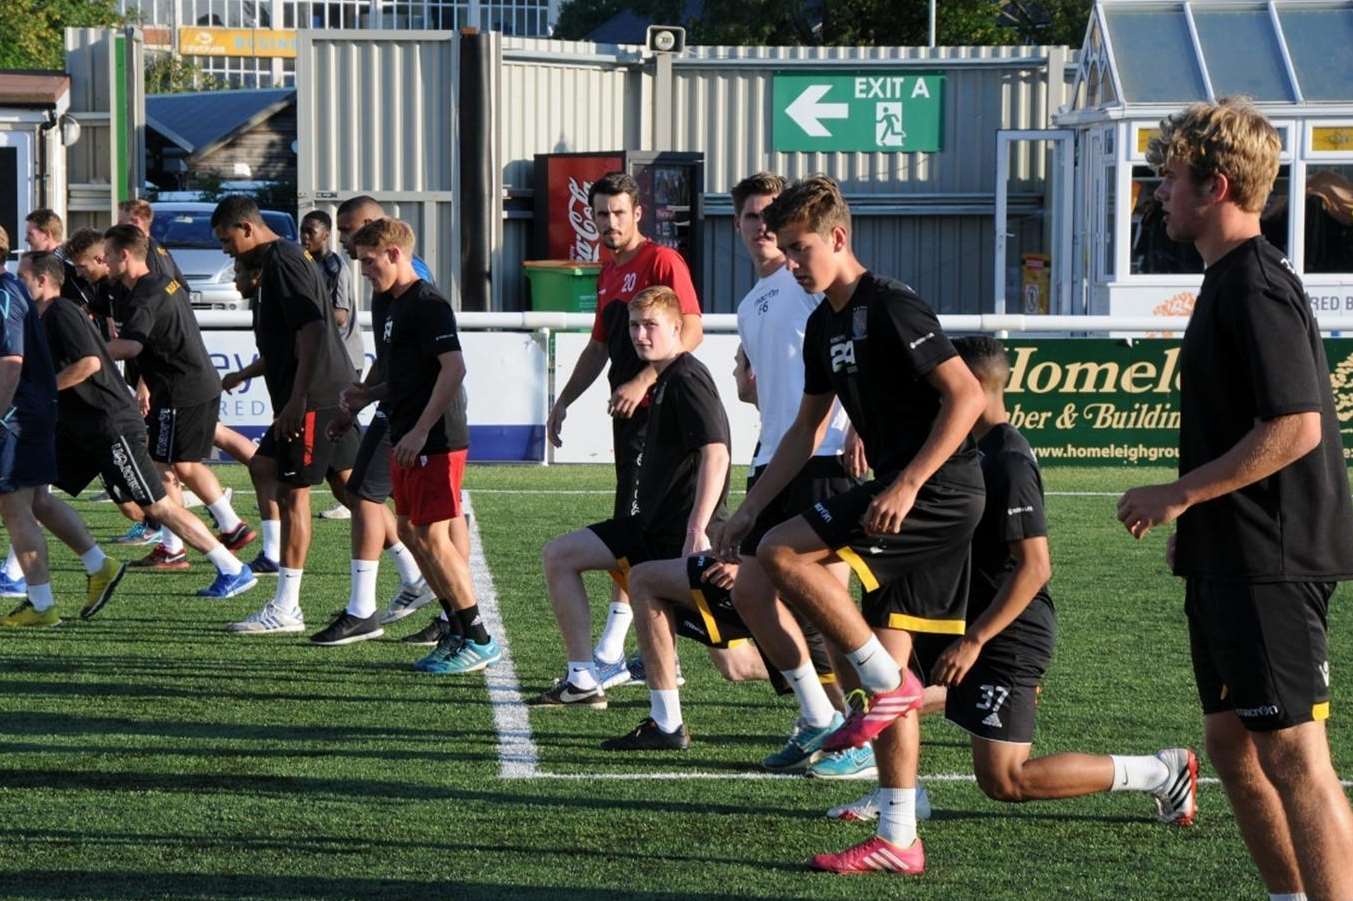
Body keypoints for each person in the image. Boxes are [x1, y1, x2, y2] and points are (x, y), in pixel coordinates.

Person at [715, 175, 986, 875]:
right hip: (899, 491)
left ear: (839, 238)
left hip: (941, 492)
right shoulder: (824, 323)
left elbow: (964, 396)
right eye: (783, 247)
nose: (793, 261)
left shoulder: (890, 304)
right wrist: (744, 508)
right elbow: (804, 430)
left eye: (802, 247)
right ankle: (898, 836)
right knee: (785, 559)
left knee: (782, 553)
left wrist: (908, 480)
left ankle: (878, 682)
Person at [1117, 98, 1353, 901]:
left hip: (1271, 557)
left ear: (1214, 186)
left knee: (1293, 758)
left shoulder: (1254, 285)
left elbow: (1295, 428)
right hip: (1233, 549)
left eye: (1168, 179)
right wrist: (1201, 519)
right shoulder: (1230, 279)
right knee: (1231, 746)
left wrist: (1179, 495)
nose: (1158, 194)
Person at [830, 336, 1198, 827]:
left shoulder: (1007, 459)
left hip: (1008, 630)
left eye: (945, 384)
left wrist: (977, 641)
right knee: (887, 680)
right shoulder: (968, 450)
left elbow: (1035, 567)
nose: (938, 394)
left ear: (976, 386)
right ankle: (901, 795)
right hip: (965, 616)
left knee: (1005, 779)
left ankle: (1158, 772)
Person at [603, 173, 856, 764]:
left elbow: (851, 357)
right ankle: (822, 718)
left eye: (771, 215)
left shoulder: (812, 285)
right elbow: (787, 388)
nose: (761, 226)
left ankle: (855, 730)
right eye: (749, 216)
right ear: (737, 225)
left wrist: (861, 425)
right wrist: (754, 395)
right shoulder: (750, 304)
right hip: (774, 459)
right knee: (754, 594)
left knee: (823, 606)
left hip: (828, 457)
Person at [535, 285, 729, 721]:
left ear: (678, 327)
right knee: (561, 555)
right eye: (635, 326)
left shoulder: (687, 378)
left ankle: (827, 688)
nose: (640, 336)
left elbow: (717, 453)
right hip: (650, 528)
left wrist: (699, 529)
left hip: (684, 536)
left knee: (738, 664)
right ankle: (584, 679)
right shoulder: (660, 378)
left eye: (651, 326)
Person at [19, 251, 256, 602]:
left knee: (156, 506)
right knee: (35, 495)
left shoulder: (61, 312)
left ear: (42, 280)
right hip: (79, 429)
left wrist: (43, 389)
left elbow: (89, 363)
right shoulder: (39, 318)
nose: (15, 283)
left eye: (21, 276)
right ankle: (97, 566)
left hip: (109, 425)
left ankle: (233, 568)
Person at [545, 172, 704, 688]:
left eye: (619, 212)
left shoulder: (662, 261)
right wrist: (563, 401)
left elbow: (693, 328)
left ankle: (616, 653)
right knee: (632, 530)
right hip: (629, 425)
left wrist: (646, 378)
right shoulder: (608, 272)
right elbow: (597, 347)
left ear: (638, 213)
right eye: (601, 214)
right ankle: (642, 655)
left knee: (635, 533)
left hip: (658, 426)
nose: (609, 222)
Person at [337, 218, 499, 670]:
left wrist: (422, 429)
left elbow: (453, 370)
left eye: (369, 261)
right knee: (409, 531)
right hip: (408, 429)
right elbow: (406, 376)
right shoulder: (388, 303)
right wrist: (363, 397)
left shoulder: (428, 303)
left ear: (394, 254)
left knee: (430, 533)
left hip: (437, 436)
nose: (364, 270)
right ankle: (456, 628)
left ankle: (480, 639)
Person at [212, 195, 354, 635]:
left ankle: (287, 607)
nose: (225, 249)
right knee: (284, 470)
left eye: (226, 239)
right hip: (322, 391)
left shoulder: (285, 262)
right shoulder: (279, 261)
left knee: (296, 494)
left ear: (248, 228)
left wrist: (298, 399)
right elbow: (288, 340)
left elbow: (312, 330)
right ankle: (413, 573)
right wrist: (248, 373)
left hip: (312, 396)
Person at [101, 225, 255, 572]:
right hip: (189, 386)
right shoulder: (160, 281)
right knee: (178, 465)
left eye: (108, 255)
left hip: (181, 390)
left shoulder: (146, 293)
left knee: (168, 468)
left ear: (125, 255)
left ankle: (177, 548)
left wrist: (85, 352)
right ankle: (230, 525)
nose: (104, 261)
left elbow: (131, 346)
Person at [331, 195, 447, 645]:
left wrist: (410, 420)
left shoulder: (413, 283)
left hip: (419, 411)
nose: (346, 242)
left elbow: (445, 365)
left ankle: (370, 609)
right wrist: (362, 396)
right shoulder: (381, 284)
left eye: (352, 230)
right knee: (421, 517)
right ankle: (439, 604)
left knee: (380, 499)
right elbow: (390, 355)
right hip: (397, 402)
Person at [0, 229, 124, 628]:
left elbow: (10, 363)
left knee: (15, 509)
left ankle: (41, 604)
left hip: (16, 416)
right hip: (32, 412)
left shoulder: (4, 295)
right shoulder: (15, 291)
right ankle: (98, 563)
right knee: (36, 501)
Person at [301, 209, 363, 523]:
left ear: (325, 234)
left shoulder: (336, 267)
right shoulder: (308, 265)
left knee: (346, 430)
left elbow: (340, 315)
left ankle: (361, 490)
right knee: (343, 432)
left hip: (344, 360)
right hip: (328, 359)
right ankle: (353, 489)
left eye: (310, 232)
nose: (304, 238)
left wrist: (310, 309)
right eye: (302, 231)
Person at [117, 199, 189, 288]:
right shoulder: (162, 251)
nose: (117, 227)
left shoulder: (144, 252)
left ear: (135, 222)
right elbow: (181, 287)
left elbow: (150, 291)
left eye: (120, 223)